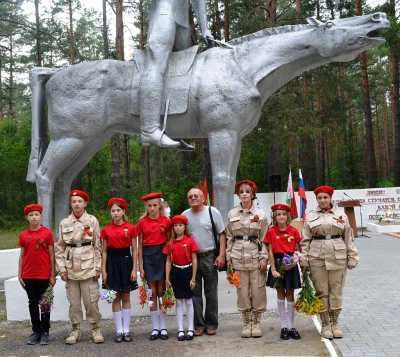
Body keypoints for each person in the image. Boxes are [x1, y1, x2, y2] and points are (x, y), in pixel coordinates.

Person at [138, 0, 213, 148]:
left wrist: (205, 28)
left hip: (182, 19)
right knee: (156, 65)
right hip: (163, 11)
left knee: (180, 72)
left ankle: (171, 129)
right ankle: (149, 129)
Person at [300, 185, 359, 339]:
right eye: (320, 198)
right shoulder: (311, 216)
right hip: (317, 258)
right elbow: (305, 240)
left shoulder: (341, 215)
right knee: (321, 291)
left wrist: (352, 256)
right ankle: (325, 324)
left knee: (336, 290)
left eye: (325, 197)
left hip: (337, 257)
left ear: (331, 198)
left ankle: (334, 323)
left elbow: (348, 237)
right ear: (317, 199)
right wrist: (303, 260)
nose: (323, 200)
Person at [55, 190, 104, 344]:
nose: (76, 204)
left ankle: (95, 328)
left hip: (88, 267)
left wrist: (98, 268)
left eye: (79, 201)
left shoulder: (92, 221)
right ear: (71, 204)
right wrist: (62, 269)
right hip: (70, 270)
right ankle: (76, 330)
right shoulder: (64, 223)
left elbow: (98, 246)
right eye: (74, 201)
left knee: (91, 302)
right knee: (74, 303)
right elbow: (60, 248)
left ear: (85, 203)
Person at [225, 180, 268, 338]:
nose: (244, 194)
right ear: (238, 195)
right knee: (242, 292)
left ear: (252, 194)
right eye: (241, 192)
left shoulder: (261, 214)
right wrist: (228, 257)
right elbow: (229, 237)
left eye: (247, 192)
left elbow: (265, 239)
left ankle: (256, 323)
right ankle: (246, 322)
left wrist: (264, 258)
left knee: (257, 291)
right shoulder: (232, 214)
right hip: (238, 257)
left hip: (256, 257)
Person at [182, 188, 226, 336]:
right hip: (191, 258)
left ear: (203, 197)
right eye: (190, 196)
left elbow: (221, 234)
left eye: (196, 196)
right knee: (194, 293)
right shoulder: (184, 216)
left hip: (210, 256)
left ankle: (211, 324)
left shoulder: (212, 212)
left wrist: (221, 255)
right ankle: (198, 325)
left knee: (211, 293)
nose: (193, 198)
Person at [101, 198, 138, 343]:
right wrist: (104, 270)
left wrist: (134, 269)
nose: (116, 213)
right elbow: (104, 251)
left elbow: (134, 250)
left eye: (118, 210)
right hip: (112, 264)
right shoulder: (106, 230)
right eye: (113, 211)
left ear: (123, 211)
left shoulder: (131, 227)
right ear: (110, 212)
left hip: (126, 262)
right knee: (115, 297)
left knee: (126, 297)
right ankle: (119, 330)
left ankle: (127, 330)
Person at [18, 204, 56, 345]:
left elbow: (52, 255)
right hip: (28, 275)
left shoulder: (47, 233)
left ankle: (45, 331)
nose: (34, 217)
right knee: (32, 303)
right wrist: (19, 274)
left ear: (40, 216)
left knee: (45, 303)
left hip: (44, 275)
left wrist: (52, 275)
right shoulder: (23, 235)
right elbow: (22, 256)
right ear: (27, 217)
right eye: (31, 215)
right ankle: (36, 331)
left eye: (36, 214)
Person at [264, 203, 302, 340]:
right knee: (280, 292)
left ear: (288, 217)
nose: (281, 217)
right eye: (278, 214)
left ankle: (292, 326)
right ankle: (283, 326)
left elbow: (298, 250)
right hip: (278, 263)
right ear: (274, 217)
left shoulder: (294, 231)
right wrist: (273, 269)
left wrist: (294, 263)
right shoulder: (271, 232)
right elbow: (271, 252)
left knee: (290, 293)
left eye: (284, 214)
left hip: (291, 264)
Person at [137, 192, 171, 341]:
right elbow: (139, 247)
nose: (152, 208)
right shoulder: (142, 222)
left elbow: (170, 243)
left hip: (162, 255)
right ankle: (155, 327)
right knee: (152, 292)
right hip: (148, 256)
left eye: (155, 205)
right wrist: (141, 267)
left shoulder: (166, 221)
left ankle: (163, 327)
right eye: (149, 206)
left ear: (160, 206)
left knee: (162, 291)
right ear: (146, 207)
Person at [163, 215, 199, 341]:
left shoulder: (190, 241)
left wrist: (193, 278)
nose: (178, 228)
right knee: (178, 301)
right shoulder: (170, 243)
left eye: (180, 225)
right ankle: (180, 329)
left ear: (185, 227)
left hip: (188, 271)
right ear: (173, 228)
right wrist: (167, 278)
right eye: (176, 226)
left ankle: (190, 328)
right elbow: (168, 262)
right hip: (176, 272)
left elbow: (194, 260)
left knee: (189, 301)